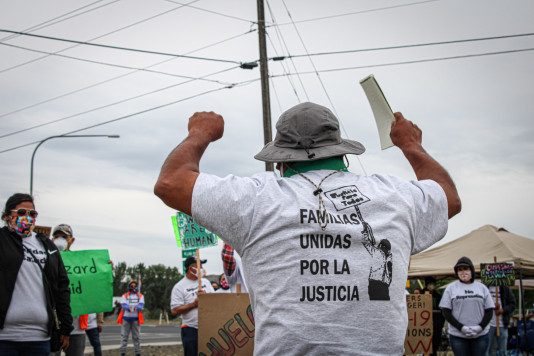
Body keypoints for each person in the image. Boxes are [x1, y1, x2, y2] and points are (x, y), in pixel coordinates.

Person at [154, 102, 461, 355]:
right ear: (343, 154)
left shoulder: (256, 199)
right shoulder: (394, 196)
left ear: (280, 163)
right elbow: (448, 198)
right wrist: (411, 145)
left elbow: (170, 183)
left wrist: (200, 134)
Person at [0, 193, 73, 355]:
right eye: (21, 213)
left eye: (32, 214)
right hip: (4, 338)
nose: (27, 217)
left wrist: (65, 328)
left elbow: (62, 287)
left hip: (39, 338)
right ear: (7, 215)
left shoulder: (46, 245)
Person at [440, 257, 494, 356]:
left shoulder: (482, 288)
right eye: (460, 269)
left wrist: (480, 327)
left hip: (480, 336)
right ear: (456, 272)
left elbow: (489, 310)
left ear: (471, 270)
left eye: (466, 268)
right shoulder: (450, 288)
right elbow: (446, 311)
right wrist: (461, 328)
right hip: (458, 336)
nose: (463, 272)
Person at [50, 224, 87, 356]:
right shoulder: (46, 259)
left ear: (72, 240)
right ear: (52, 239)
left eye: (64, 237)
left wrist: (104, 269)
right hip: (52, 327)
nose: (60, 240)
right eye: (57, 236)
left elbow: (93, 283)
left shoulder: (81, 263)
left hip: (76, 327)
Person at [170, 256, 215, 356]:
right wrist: (194, 304)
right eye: (200, 266)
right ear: (191, 269)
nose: (202, 268)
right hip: (190, 328)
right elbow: (174, 310)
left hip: (208, 327)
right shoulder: (179, 287)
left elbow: (215, 301)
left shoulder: (206, 282)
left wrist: (206, 298)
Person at [485, 285, 516, 356]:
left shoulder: (505, 288)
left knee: (503, 350)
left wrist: (503, 310)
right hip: (488, 325)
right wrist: (491, 306)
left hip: (502, 324)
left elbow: (513, 304)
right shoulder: (485, 288)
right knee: (489, 350)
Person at [117, 280, 144, 356]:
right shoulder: (125, 295)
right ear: (129, 286)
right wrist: (130, 308)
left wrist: (136, 308)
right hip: (126, 318)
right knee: (124, 336)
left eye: (135, 286)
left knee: (136, 337)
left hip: (136, 319)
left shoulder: (140, 296)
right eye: (131, 286)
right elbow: (123, 304)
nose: (133, 287)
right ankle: (122, 352)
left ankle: (137, 352)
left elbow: (141, 304)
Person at [422, 276, 445, 356]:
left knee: (434, 344)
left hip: (436, 324)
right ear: (426, 284)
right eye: (430, 284)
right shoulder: (421, 295)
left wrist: (441, 323)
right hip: (423, 325)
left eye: (433, 283)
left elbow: (443, 311)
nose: (431, 285)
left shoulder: (438, 296)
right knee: (425, 345)